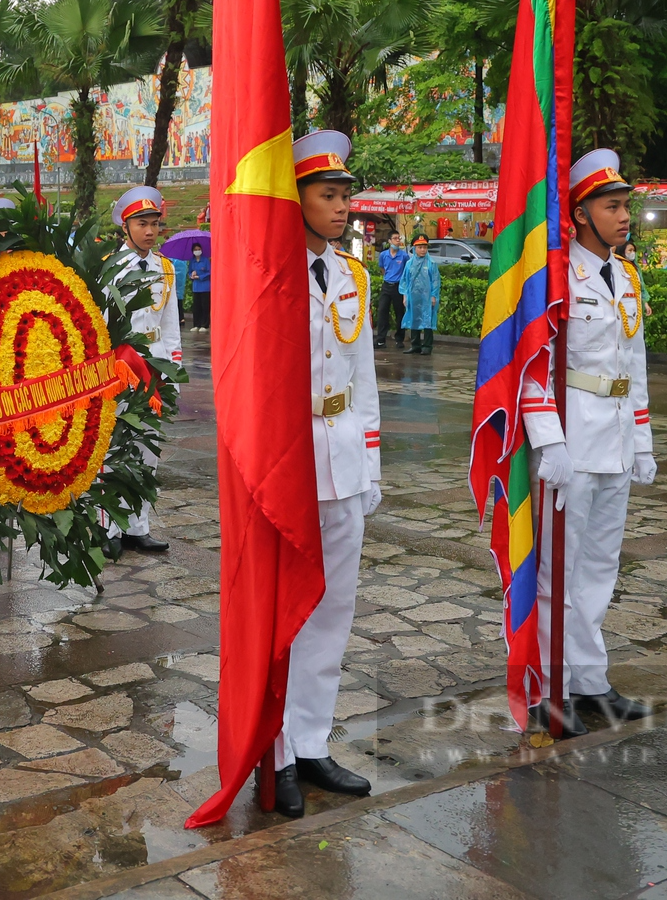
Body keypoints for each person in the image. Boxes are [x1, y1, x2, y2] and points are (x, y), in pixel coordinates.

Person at [521, 148, 655, 736]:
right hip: (571, 441)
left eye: (626, 205)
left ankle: (590, 681)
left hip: (617, 438)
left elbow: (637, 361)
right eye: (613, 206)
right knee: (559, 573)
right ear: (580, 214)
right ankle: (551, 689)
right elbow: (533, 362)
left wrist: (644, 440)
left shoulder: (625, 274)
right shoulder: (555, 277)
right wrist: (547, 440)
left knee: (599, 567)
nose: (625, 216)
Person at [266, 131, 380, 818]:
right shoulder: (268, 272)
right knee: (286, 611)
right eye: (328, 195)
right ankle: (276, 750)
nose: (341, 207)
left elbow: (364, 377)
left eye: (345, 196)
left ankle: (311, 739)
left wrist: (369, 463)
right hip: (289, 459)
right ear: (297, 199)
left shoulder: (352, 274)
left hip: (339, 450)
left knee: (333, 608)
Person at [110, 185, 181, 556]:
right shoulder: (110, 267)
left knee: (146, 450)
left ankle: (138, 526)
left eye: (155, 224)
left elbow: (171, 325)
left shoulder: (165, 269)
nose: (150, 231)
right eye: (142, 223)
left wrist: (172, 371)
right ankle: (108, 529)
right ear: (126, 226)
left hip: (152, 368)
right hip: (120, 368)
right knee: (113, 450)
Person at [399, 235, 441, 355]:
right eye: (420, 247)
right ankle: (415, 345)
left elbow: (436, 281)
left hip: (427, 297)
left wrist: (434, 295)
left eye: (424, 247)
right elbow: (404, 281)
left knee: (427, 318)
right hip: (413, 296)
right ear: (414, 248)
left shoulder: (431, 263)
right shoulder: (409, 264)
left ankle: (427, 346)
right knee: (414, 318)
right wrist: (405, 296)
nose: (423, 250)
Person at [374, 232, 409, 349]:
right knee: (382, 311)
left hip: (398, 287)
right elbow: (382, 269)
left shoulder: (404, 256)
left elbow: (406, 272)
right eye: (395, 238)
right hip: (386, 285)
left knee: (399, 313)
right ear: (389, 241)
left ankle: (399, 339)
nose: (397, 241)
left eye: (399, 238)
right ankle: (380, 340)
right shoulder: (383, 255)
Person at [186, 241, 211, 330]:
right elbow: (189, 272)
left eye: (199, 249)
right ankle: (196, 324)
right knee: (196, 306)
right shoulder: (192, 261)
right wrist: (192, 275)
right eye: (195, 249)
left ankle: (205, 324)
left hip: (205, 286)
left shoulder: (205, 260)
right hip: (196, 287)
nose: (197, 251)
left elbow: (209, 272)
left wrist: (199, 276)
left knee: (205, 306)